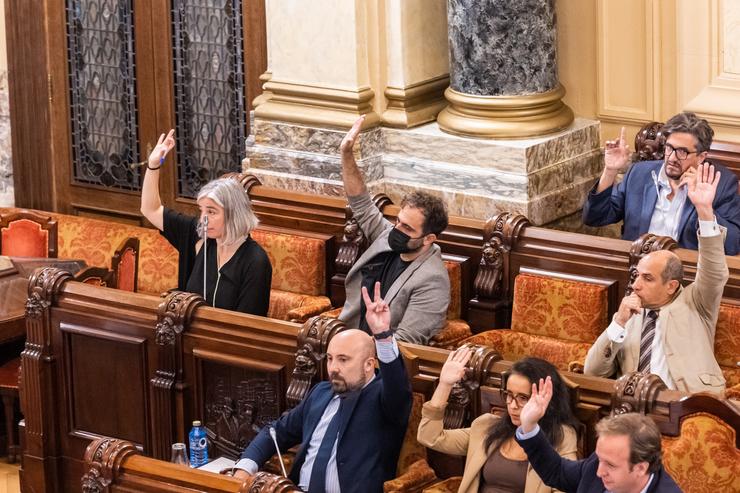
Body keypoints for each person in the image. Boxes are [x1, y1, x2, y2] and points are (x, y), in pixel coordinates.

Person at [232, 281, 412, 492]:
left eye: (343, 360)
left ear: (369, 365)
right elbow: (276, 431)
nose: (333, 368)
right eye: (330, 359)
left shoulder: (384, 399)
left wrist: (382, 336)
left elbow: (397, 386)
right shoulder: (321, 393)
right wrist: (244, 468)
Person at [584, 164, 728, 395]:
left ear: (671, 286)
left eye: (647, 278)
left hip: (689, 404)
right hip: (635, 408)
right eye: (636, 276)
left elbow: (713, 271)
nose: (635, 285)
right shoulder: (629, 314)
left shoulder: (697, 303)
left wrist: (704, 211)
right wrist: (618, 323)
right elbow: (592, 373)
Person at [338, 115, 450, 344]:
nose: (396, 230)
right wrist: (346, 154)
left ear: (428, 238)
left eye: (407, 228)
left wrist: (364, 353)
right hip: (349, 338)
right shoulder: (387, 237)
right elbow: (360, 202)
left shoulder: (432, 279)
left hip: (379, 359)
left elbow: (407, 340)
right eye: (398, 221)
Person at [140, 130, 272, 316]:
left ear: (234, 214)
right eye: (201, 210)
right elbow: (150, 210)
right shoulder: (199, 234)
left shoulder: (255, 261)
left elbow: (248, 326)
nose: (203, 219)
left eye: (211, 211)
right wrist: (154, 165)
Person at [418, 350, 579, 493]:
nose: (513, 405)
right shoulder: (486, 426)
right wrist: (445, 385)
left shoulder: (562, 437)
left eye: (523, 398)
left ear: (547, 400)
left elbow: (566, 487)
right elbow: (430, 437)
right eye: (509, 395)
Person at [582, 111, 740, 255]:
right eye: (669, 148)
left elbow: (733, 245)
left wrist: (704, 208)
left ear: (701, 157)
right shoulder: (639, 174)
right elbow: (595, 217)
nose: (671, 158)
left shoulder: (719, 183)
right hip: (637, 269)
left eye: (682, 152)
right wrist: (610, 171)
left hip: (685, 277)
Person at [514, 377, 681, 493]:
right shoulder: (596, 466)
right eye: (600, 459)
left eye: (611, 465)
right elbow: (557, 471)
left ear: (640, 468)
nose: (600, 472)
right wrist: (529, 425)